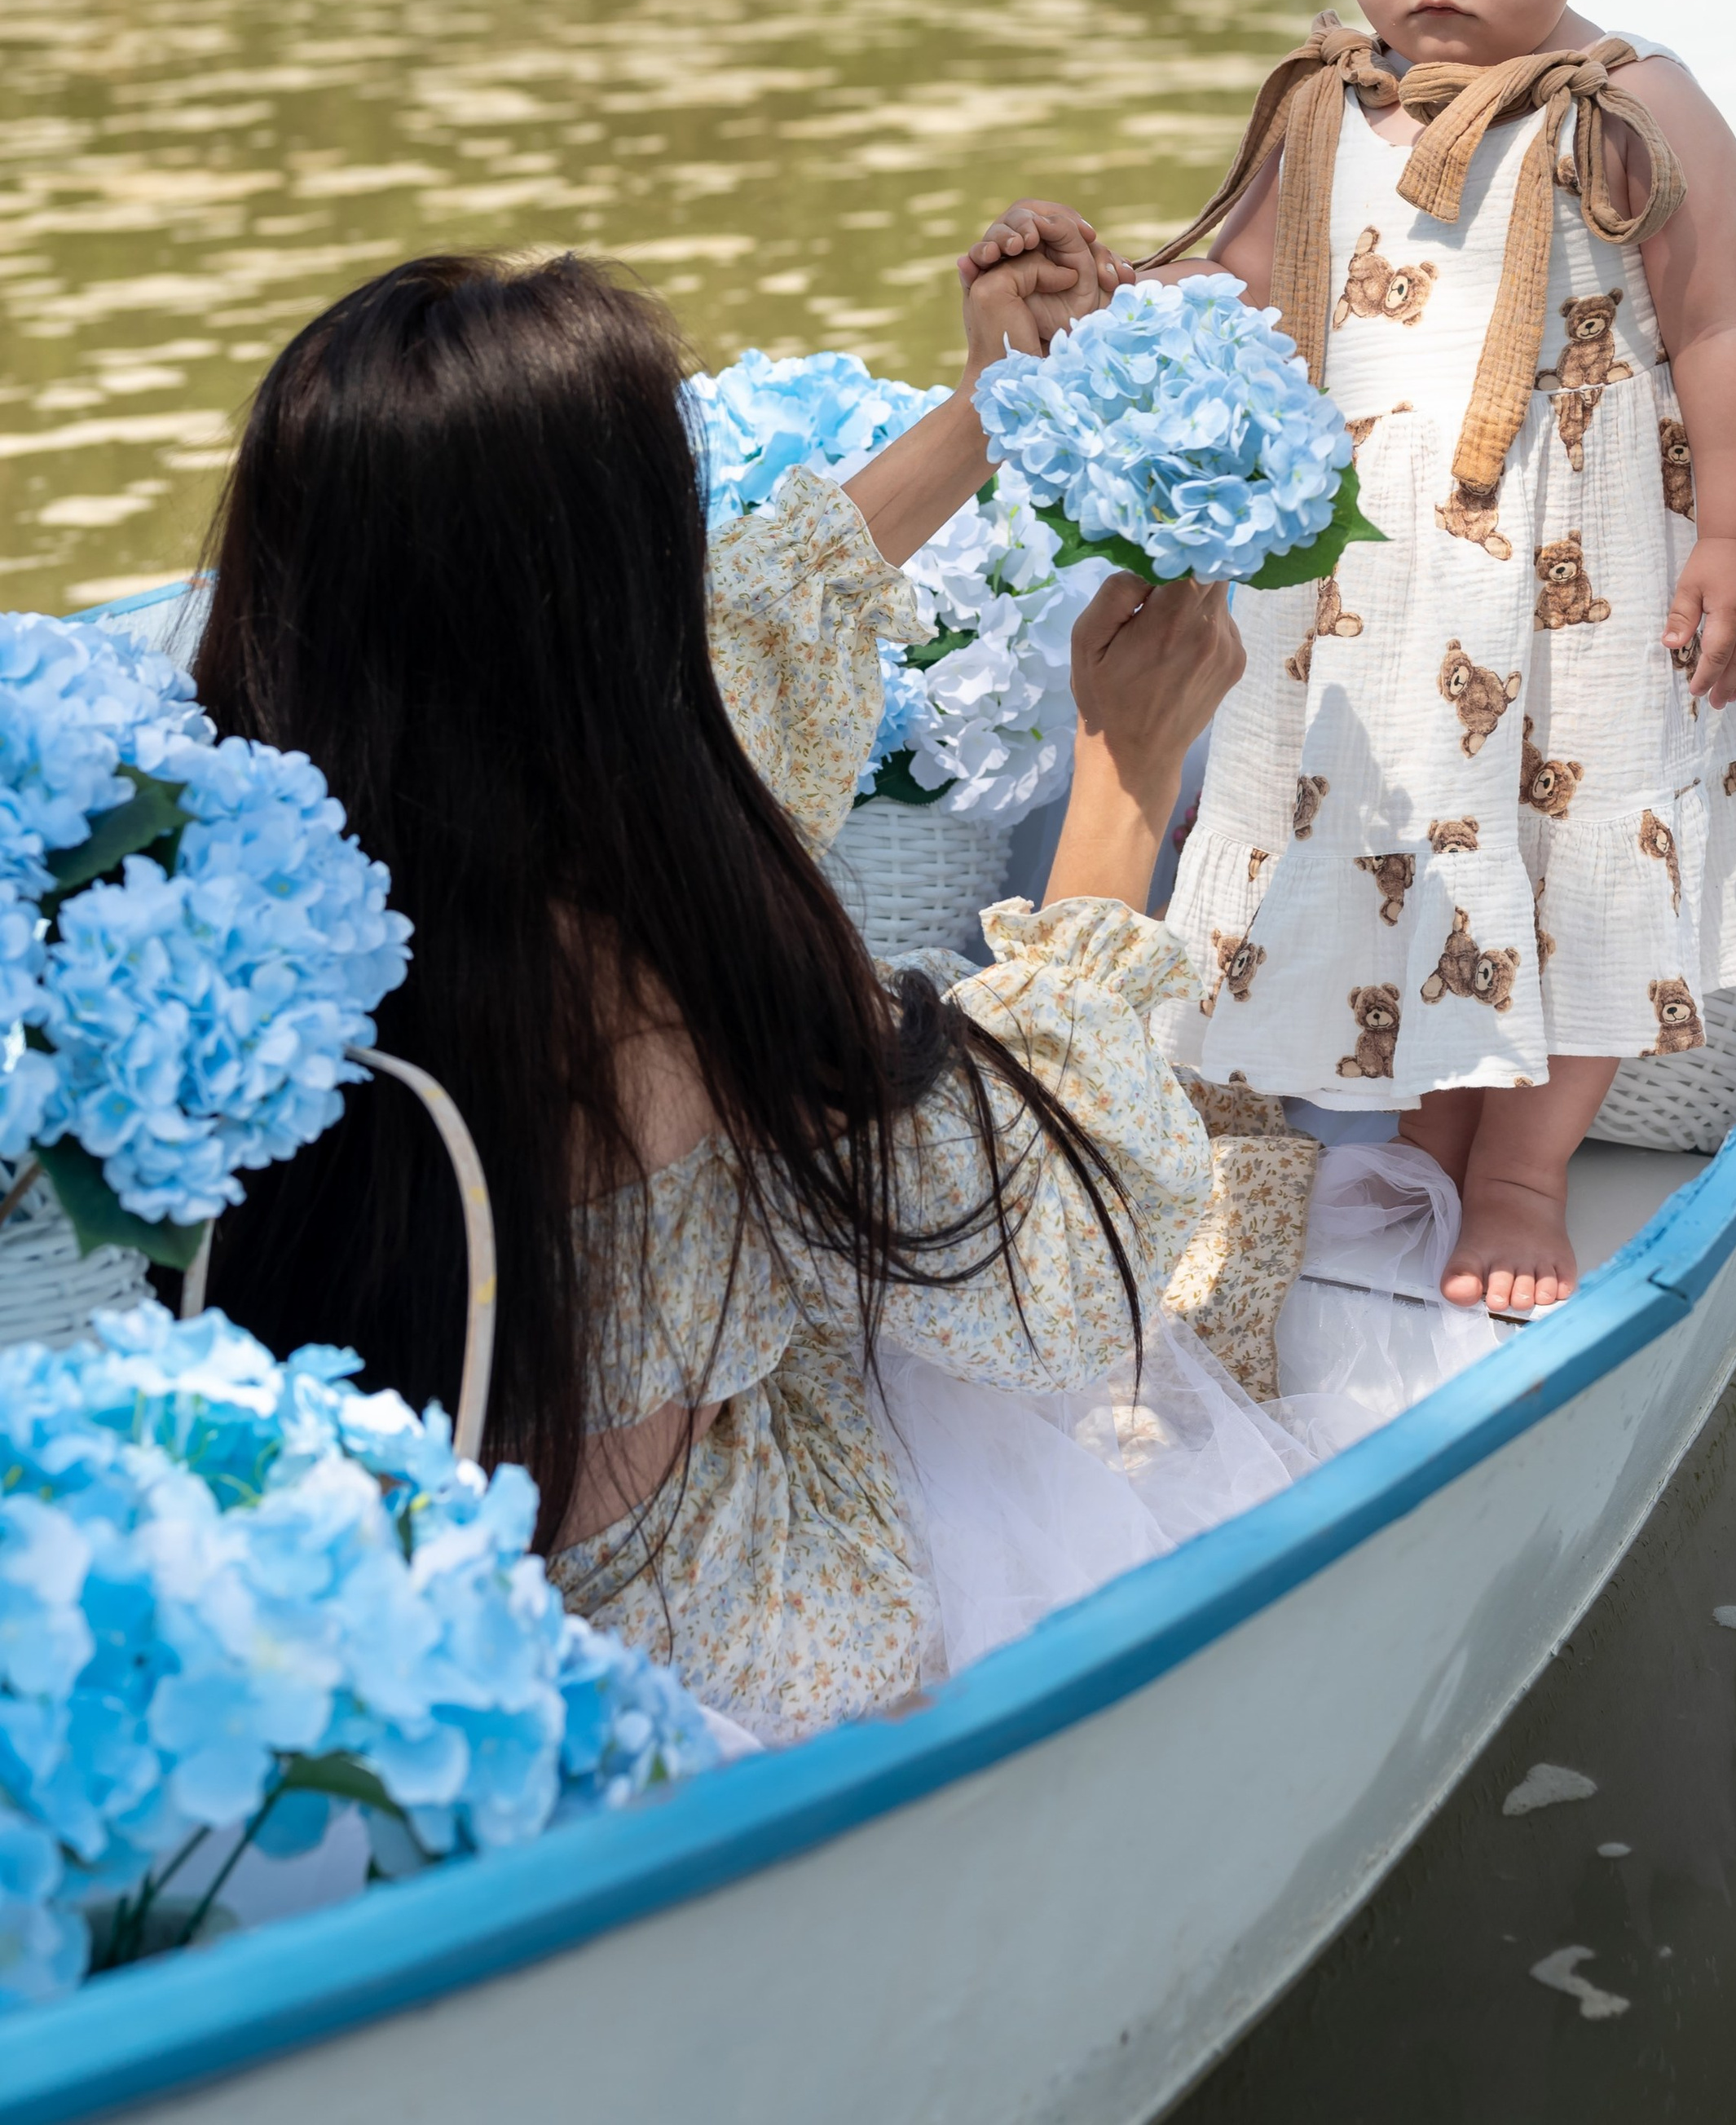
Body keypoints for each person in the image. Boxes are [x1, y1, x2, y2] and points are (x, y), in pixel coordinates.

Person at [194, 227, 1288, 1746]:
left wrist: (990, 410)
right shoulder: (670, 981)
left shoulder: (250, 850)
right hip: (693, 1636)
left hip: (354, 1580)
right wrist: (1125, 783)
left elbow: (733, 648)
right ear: (606, 615)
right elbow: (1045, 1259)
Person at [975, 0, 1736, 1322]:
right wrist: (1102, 288)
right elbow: (1233, 289)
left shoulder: (1631, 111)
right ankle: (1428, 1117)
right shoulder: (1320, 99)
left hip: (1570, 572)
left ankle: (1517, 1163)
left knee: (1579, 847)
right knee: (1401, 836)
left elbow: (1721, 329)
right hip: (1361, 581)